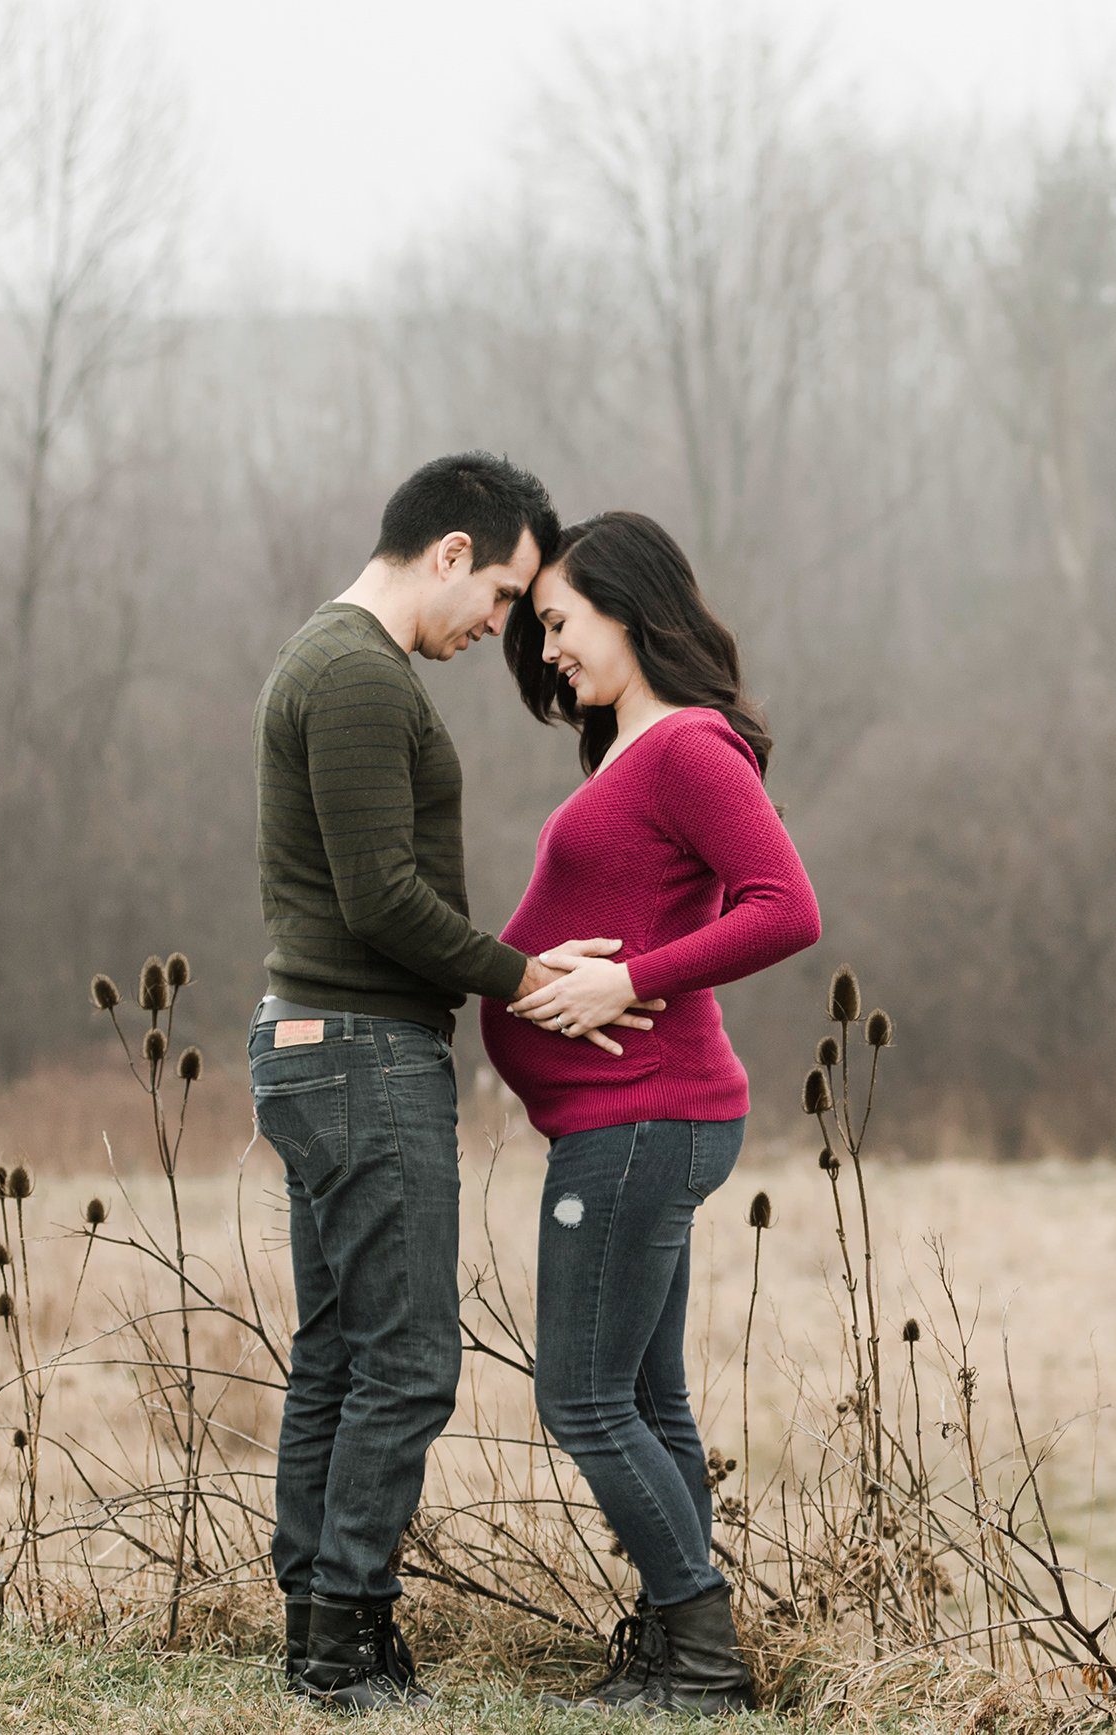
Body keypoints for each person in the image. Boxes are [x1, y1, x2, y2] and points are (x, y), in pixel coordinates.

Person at [248, 453, 649, 1708]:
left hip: (319, 1046)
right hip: (362, 1052)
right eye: (502, 597)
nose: (503, 630)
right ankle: (345, 1643)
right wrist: (525, 976)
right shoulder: (360, 675)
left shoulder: (330, 658)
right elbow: (382, 900)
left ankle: (321, 1626)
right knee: (410, 1361)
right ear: (450, 552)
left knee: (340, 1353)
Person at [484, 510, 820, 1715]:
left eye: (561, 623)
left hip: (639, 1117)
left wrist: (631, 978)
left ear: (630, 608)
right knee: (645, 1397)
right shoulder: (635, 752)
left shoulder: (685, 748)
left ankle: (702, 1653)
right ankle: (684, 1655)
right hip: (627, 1118)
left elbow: (787, 908)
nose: (550, 650)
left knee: (578, 1397)